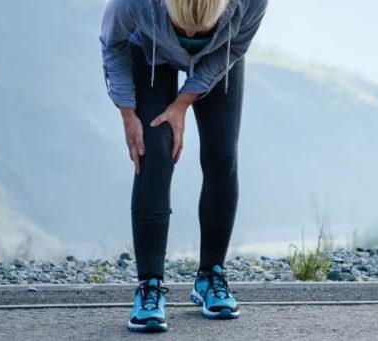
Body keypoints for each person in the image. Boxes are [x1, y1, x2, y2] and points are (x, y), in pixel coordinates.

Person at [100, 0, 267, 333]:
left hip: (221, 53)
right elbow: (112, 43)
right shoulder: (134, 4)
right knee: (153, 153)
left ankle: (211, 276)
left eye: (201, 29)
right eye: (182, 27)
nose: (191, 35)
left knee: (221, 155)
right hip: (148, 52)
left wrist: (182, 102)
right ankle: (149, 286)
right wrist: (127, 111)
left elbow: (237, 46)